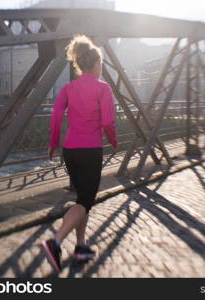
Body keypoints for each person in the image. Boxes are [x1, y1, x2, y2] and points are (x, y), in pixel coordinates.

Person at [41, 35, 117, 272]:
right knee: (85, 200)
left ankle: (81, 246)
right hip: (90, 150)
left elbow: (55, 117)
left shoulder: (68, 88)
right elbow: (107, 122)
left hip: (70, 150)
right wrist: (114, 142)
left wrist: (53, 144)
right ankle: (55, 242)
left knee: (81, 200)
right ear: (96, 65)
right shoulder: (103, 89)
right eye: (101, 65)